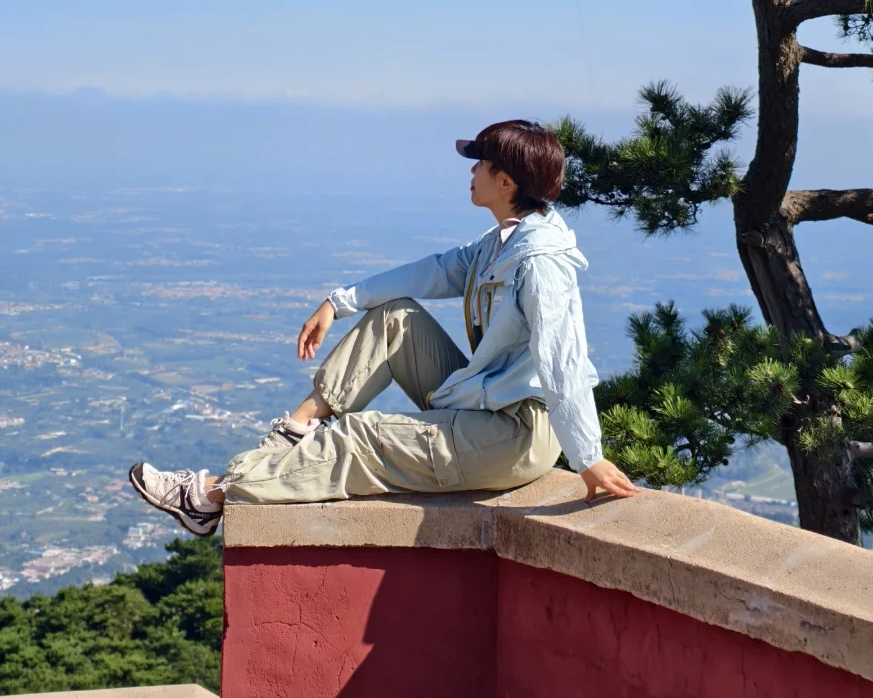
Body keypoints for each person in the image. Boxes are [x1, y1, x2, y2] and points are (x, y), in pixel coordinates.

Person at [129, 120, 636, 536]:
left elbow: (562, 362)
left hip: (515, 433)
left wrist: (587, 458)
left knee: (361, 436)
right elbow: (433, 271)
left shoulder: (541, 263)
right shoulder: (501, 243)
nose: (473, 170)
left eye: (482, 163)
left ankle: (211, 495)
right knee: (395, 319)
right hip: (486, 403)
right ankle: (294, 433)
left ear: (507, 184)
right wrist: (338, 302)